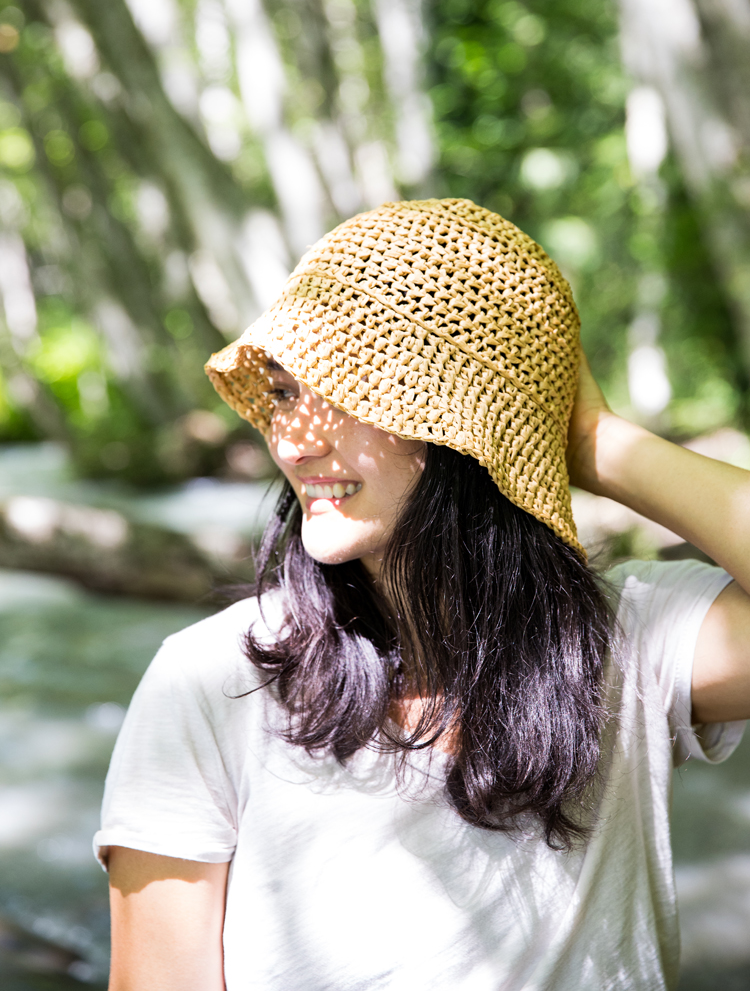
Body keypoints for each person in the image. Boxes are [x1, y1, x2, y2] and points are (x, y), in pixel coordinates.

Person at [96, 199, 750, 991]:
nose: (293, 438)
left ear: (459, 421)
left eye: (340, 388)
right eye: (282, 389)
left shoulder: (631, 646)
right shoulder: (207, 681)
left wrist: (594, 441)